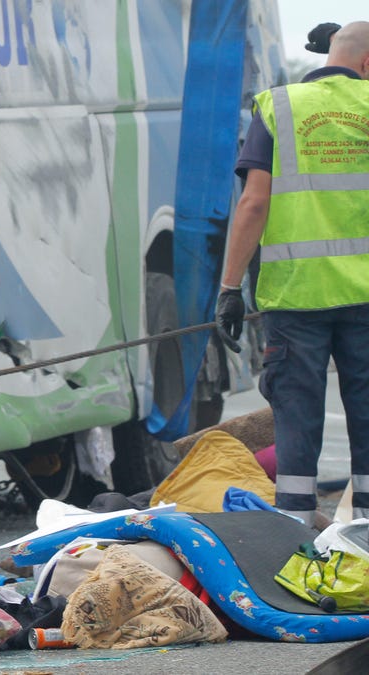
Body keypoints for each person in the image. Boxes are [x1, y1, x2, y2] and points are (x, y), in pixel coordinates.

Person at [216, 22, 369, 527]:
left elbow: (254, 203)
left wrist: (230, 288)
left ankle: (296, 532)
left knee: (297, 415)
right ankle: (366, 531)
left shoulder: (278, 106)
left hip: (296, 297)